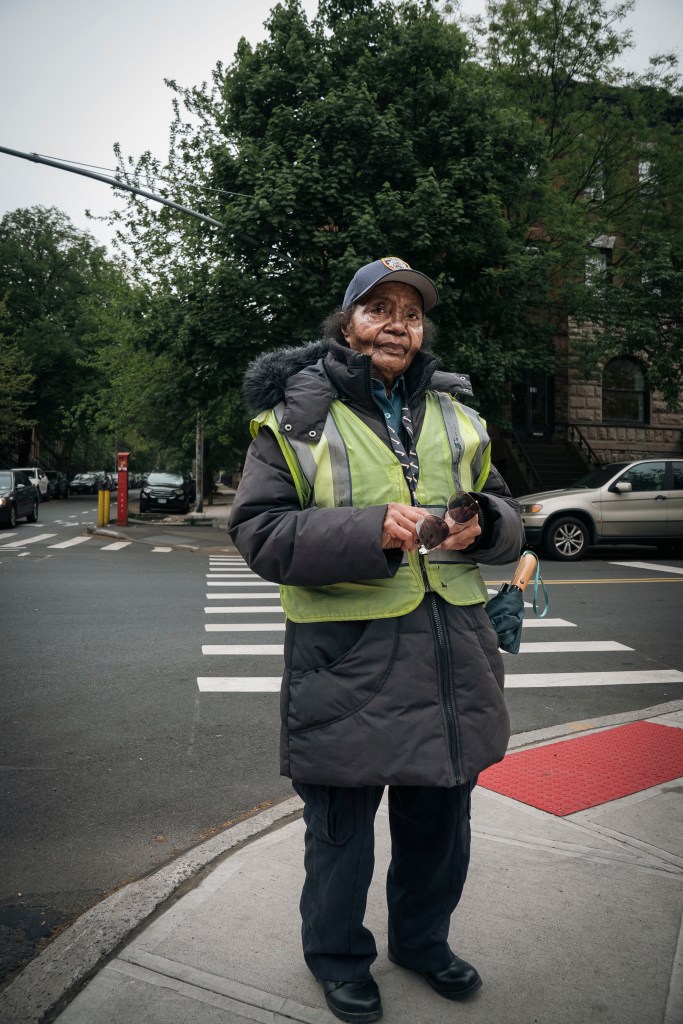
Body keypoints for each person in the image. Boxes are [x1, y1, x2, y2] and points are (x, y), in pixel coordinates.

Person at [228, 256, 524, 1023]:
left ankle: (423, 944)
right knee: (341, 833)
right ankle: (336, 958)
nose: (397, 322)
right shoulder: (294, 417)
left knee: (439, 828)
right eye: (378, 307)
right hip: (346, 656)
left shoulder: (458, 413)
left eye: (411, 312)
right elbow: (259, 533)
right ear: (346, 321)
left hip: (449, 653)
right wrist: (369, 529)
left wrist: (483, 525)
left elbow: (502, 509)